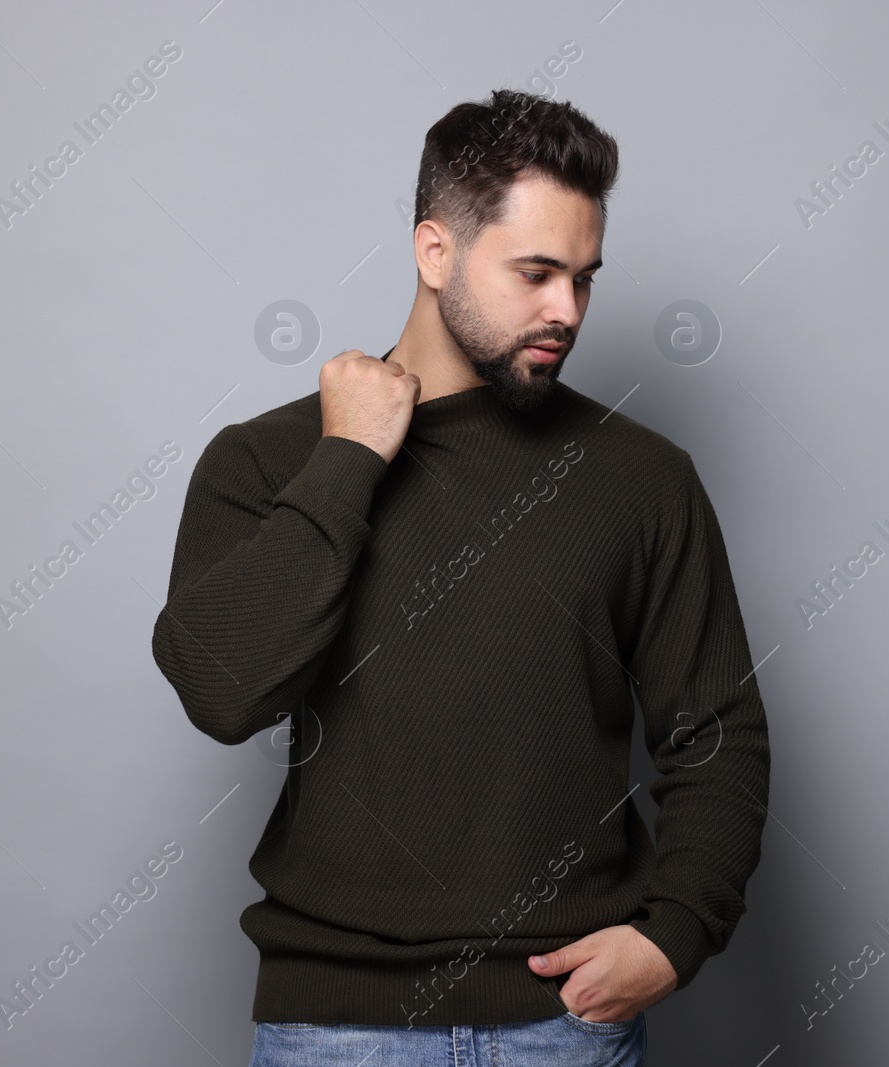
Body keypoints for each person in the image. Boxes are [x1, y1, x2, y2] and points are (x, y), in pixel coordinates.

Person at [151, 87, 771, 1066]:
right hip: (332, 1032)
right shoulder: (271, 461)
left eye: (584, 278)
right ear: (434, 251)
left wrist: (675, 928)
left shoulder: (641, 478)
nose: (565, 309)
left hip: (562, 1030)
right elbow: (223, 691)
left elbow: (716, 736)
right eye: (534, 272)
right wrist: (349, 457)